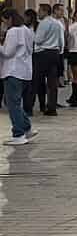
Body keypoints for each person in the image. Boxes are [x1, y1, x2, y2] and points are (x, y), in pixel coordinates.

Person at [0, 9, 35, 146]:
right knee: (14, 102)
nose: (4, 24)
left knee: (12, 103)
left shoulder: (13, 32)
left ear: (9, 19)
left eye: (4, 21)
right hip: (25, 71)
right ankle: (26, 127)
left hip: (13, 71)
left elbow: (8, 52)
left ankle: (18, 134)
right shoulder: (27, 30)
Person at [33, 3, 64, 115]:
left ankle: (31, 105)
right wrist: (60, 51)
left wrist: (33, 36)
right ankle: (52, 107)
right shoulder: (57, 23)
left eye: (40, 11)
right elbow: (61, 40)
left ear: (45, 11)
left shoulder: (44, 23)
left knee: (37, 79)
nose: (38, 13)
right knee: (52, 82)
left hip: (43, 53)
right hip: (54, 52)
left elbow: (38, 40)